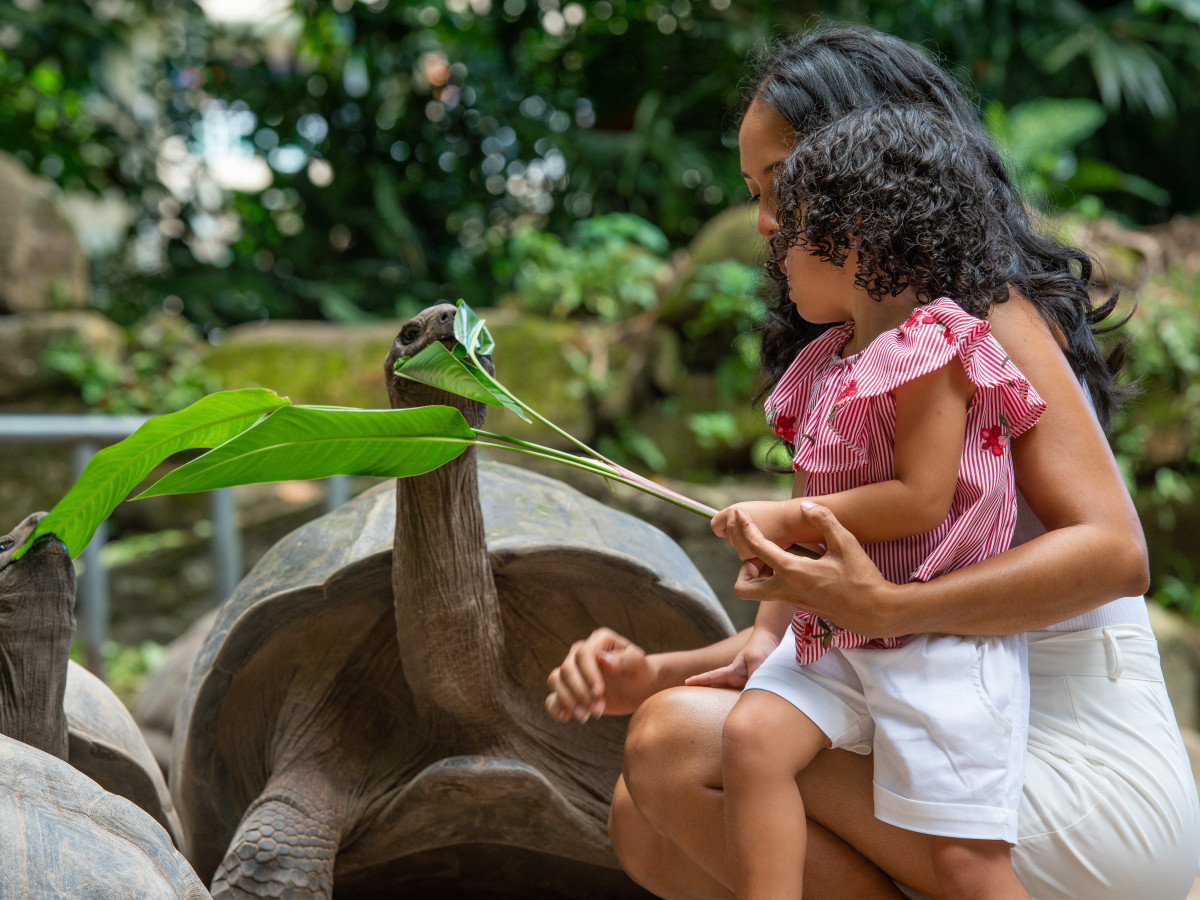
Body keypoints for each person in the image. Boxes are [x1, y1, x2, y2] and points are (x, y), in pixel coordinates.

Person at [544, 24, 1200, 900]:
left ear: (869, 179)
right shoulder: (849, 357)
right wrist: (650, 672)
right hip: (919, 697)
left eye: (779, 192)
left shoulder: (973, 318)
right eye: (754, 194)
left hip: (1071, 754)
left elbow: (1117, 556)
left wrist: (894, 603)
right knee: (646, 813)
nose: (766, 226)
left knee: (680, 752)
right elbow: (805, 640)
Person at [707, 103, 1043, 900]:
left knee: (965, 865)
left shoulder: (933, 345)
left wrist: (788, 522)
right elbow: (818, 490)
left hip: (940, 646)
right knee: (751, 739)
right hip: (839, 633)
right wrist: (781, 563)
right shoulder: (827, 360)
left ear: (856, 236)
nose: (774, 251)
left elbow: (923, 499)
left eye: (793, 232)